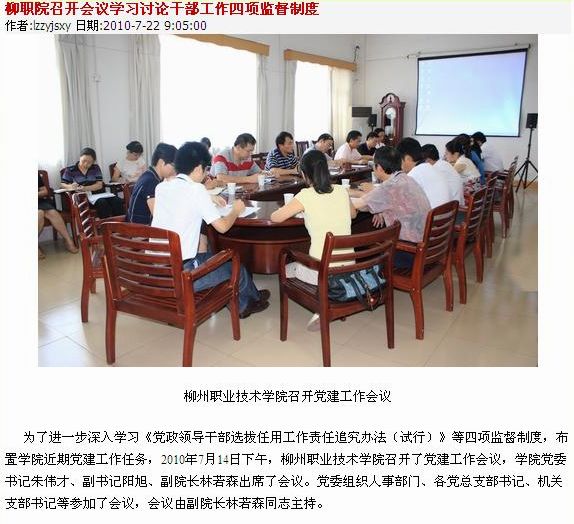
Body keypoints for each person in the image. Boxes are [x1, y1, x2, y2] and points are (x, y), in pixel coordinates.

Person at [151, 141, 269, 319]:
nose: (207, 174)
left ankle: (253, 297)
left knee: (216, 257)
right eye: (206, 170)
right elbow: (223, 227)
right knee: (235, 265)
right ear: (199, 168)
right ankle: (246, 305)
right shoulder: (196, 190)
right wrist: (236, 210)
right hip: (181, 276)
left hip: (157, 270)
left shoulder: (161, 187)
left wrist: (208, 197)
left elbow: (182, 199)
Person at [270, 149, 356, 330]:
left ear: (304, 174)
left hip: (322, 272)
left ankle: (323, 305)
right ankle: (332, 297)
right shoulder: (341, 190)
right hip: (349, 267)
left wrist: (301, 210)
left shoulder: (305, 195)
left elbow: (275, 217)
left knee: (287, 268)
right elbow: (353, 214)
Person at [351, 146, 431, 268]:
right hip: (426, 247)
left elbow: (357, 205)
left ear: (379, 168)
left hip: (409, 251)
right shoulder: (406, 179)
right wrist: (379, 209)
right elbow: (386, 201)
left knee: (369, 256)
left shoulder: (389, 187)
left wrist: (342, 193)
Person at [61, 147, 124, 219]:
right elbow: (62, 184)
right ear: (80, 158)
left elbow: (99, 185)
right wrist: (71, 186)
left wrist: (84, 188)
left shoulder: (95, 168)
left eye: (89, 162)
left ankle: (119, 223)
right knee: (102, 203)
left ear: (93, 161)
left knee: (117, 201)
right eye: (84, 161)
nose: (85, 164)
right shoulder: (70, 170)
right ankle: (105, 225)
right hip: (84, 197)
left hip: (100, 194)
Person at [126, 143, 177, 225]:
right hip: (139, 230)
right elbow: (158, 215)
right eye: (174, 166)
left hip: (140, 226)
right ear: (162, 162)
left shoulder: (150, 175)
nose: (175, 171)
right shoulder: (151, 181)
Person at [396, 137, 450, 208]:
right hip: (446, 213)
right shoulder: (431, 168)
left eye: (400, 160)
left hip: (431, 214)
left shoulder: (413, 175)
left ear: (408, 158)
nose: (399, 165)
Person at [38, 174, 78, 259]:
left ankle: (68, 241)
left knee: (53, 213)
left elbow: (45, 191)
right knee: (39, 213)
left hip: (39, 201)